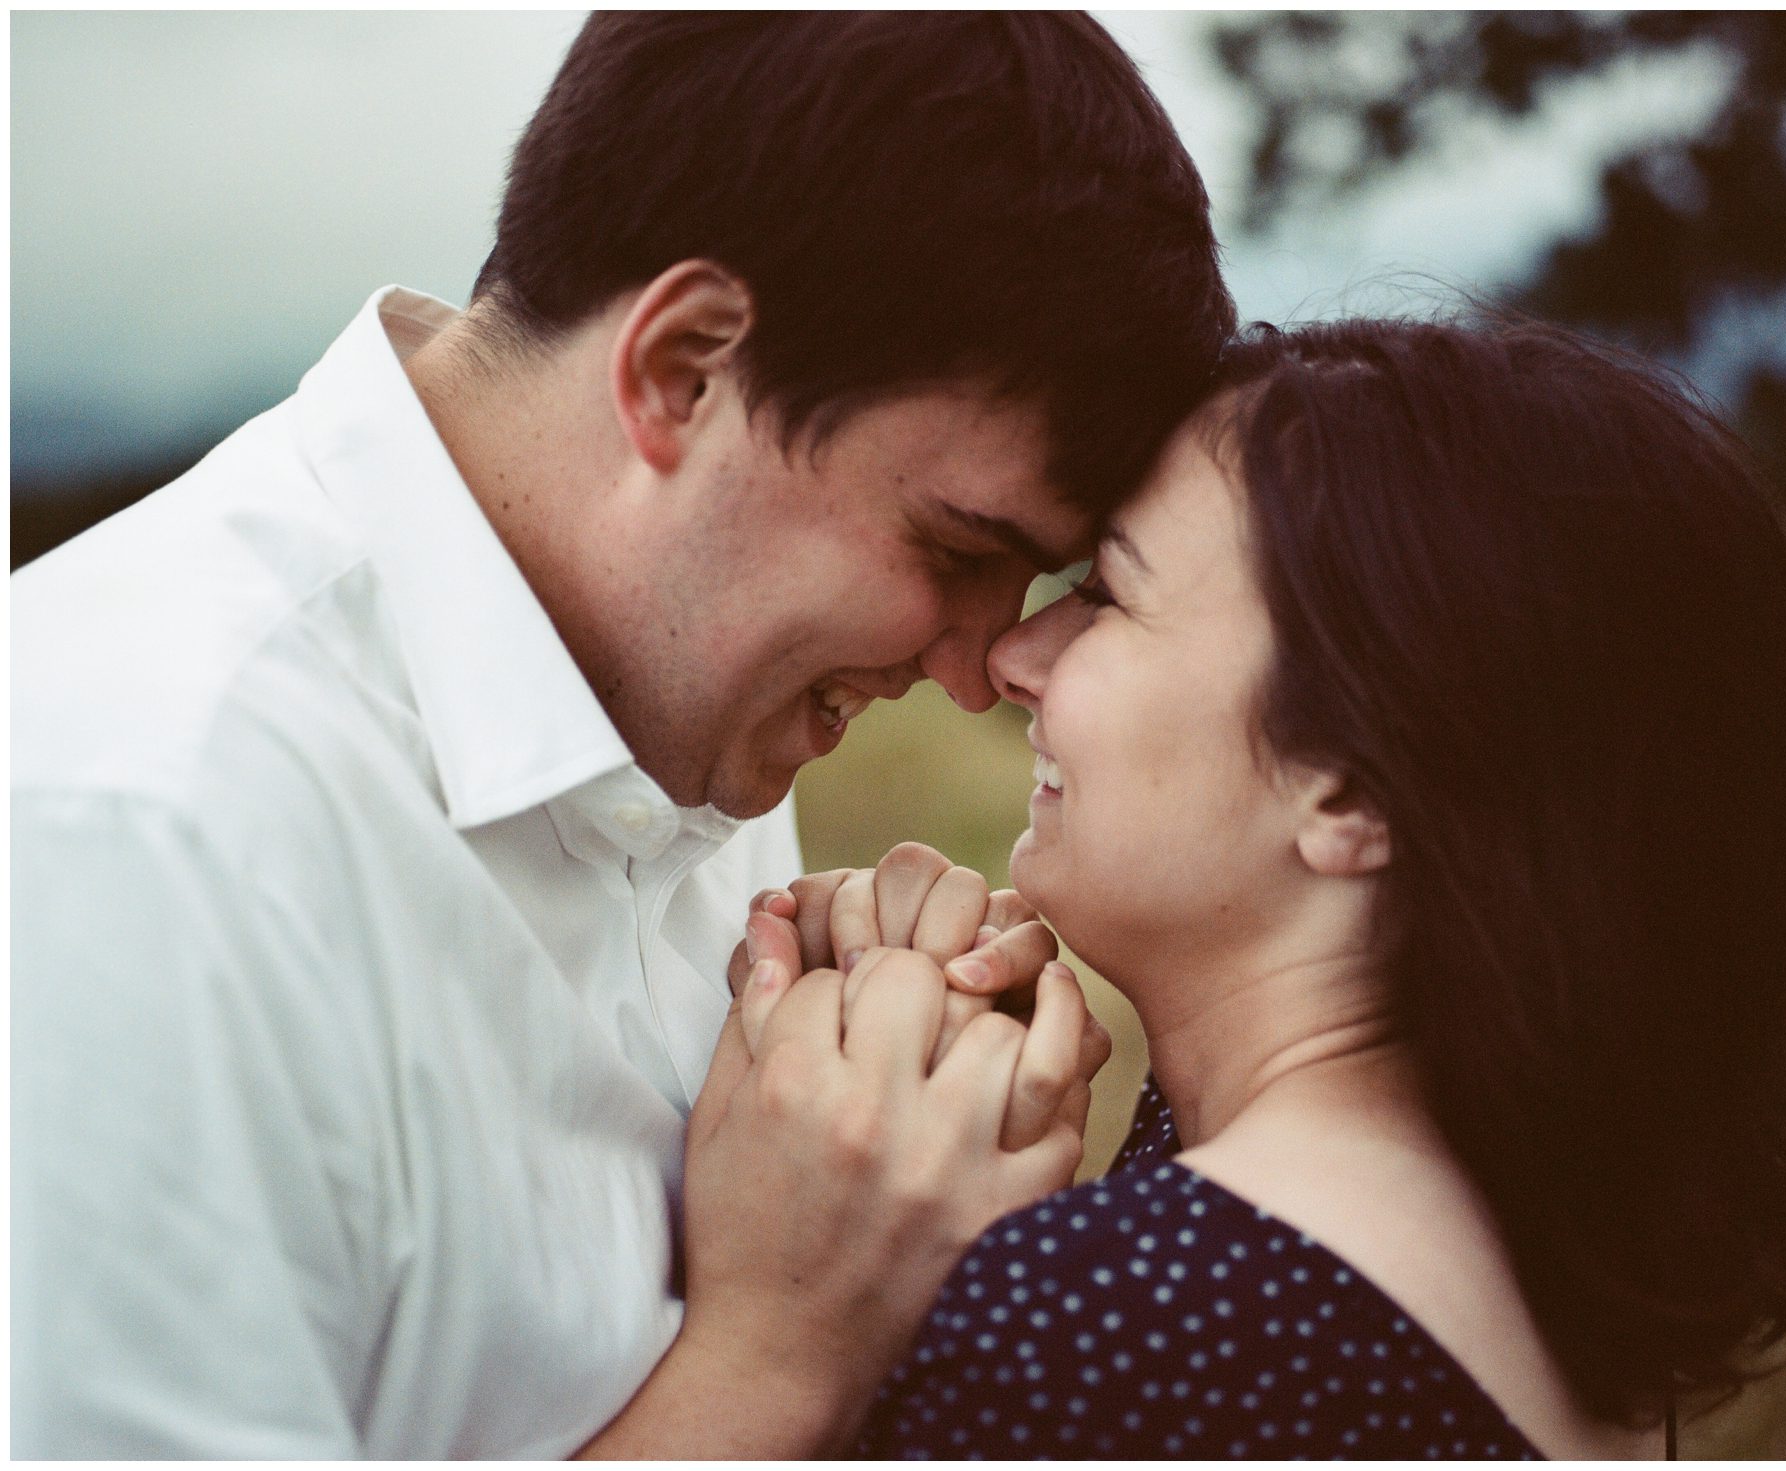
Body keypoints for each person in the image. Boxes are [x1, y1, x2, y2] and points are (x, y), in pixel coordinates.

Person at [11, 12, 1232, 1457]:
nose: (979, 666)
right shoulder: (132, 830)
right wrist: (783, 1354)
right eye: (957, 541)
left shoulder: (657, 670)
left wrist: (877, 1125)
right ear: (685, 369)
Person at [741, 315, 1786, 1457]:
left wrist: (781, 1335)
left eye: (1108, 594)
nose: (1013, 658)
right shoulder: (1512, 1268)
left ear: (1347, 789)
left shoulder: (1130, 1325)